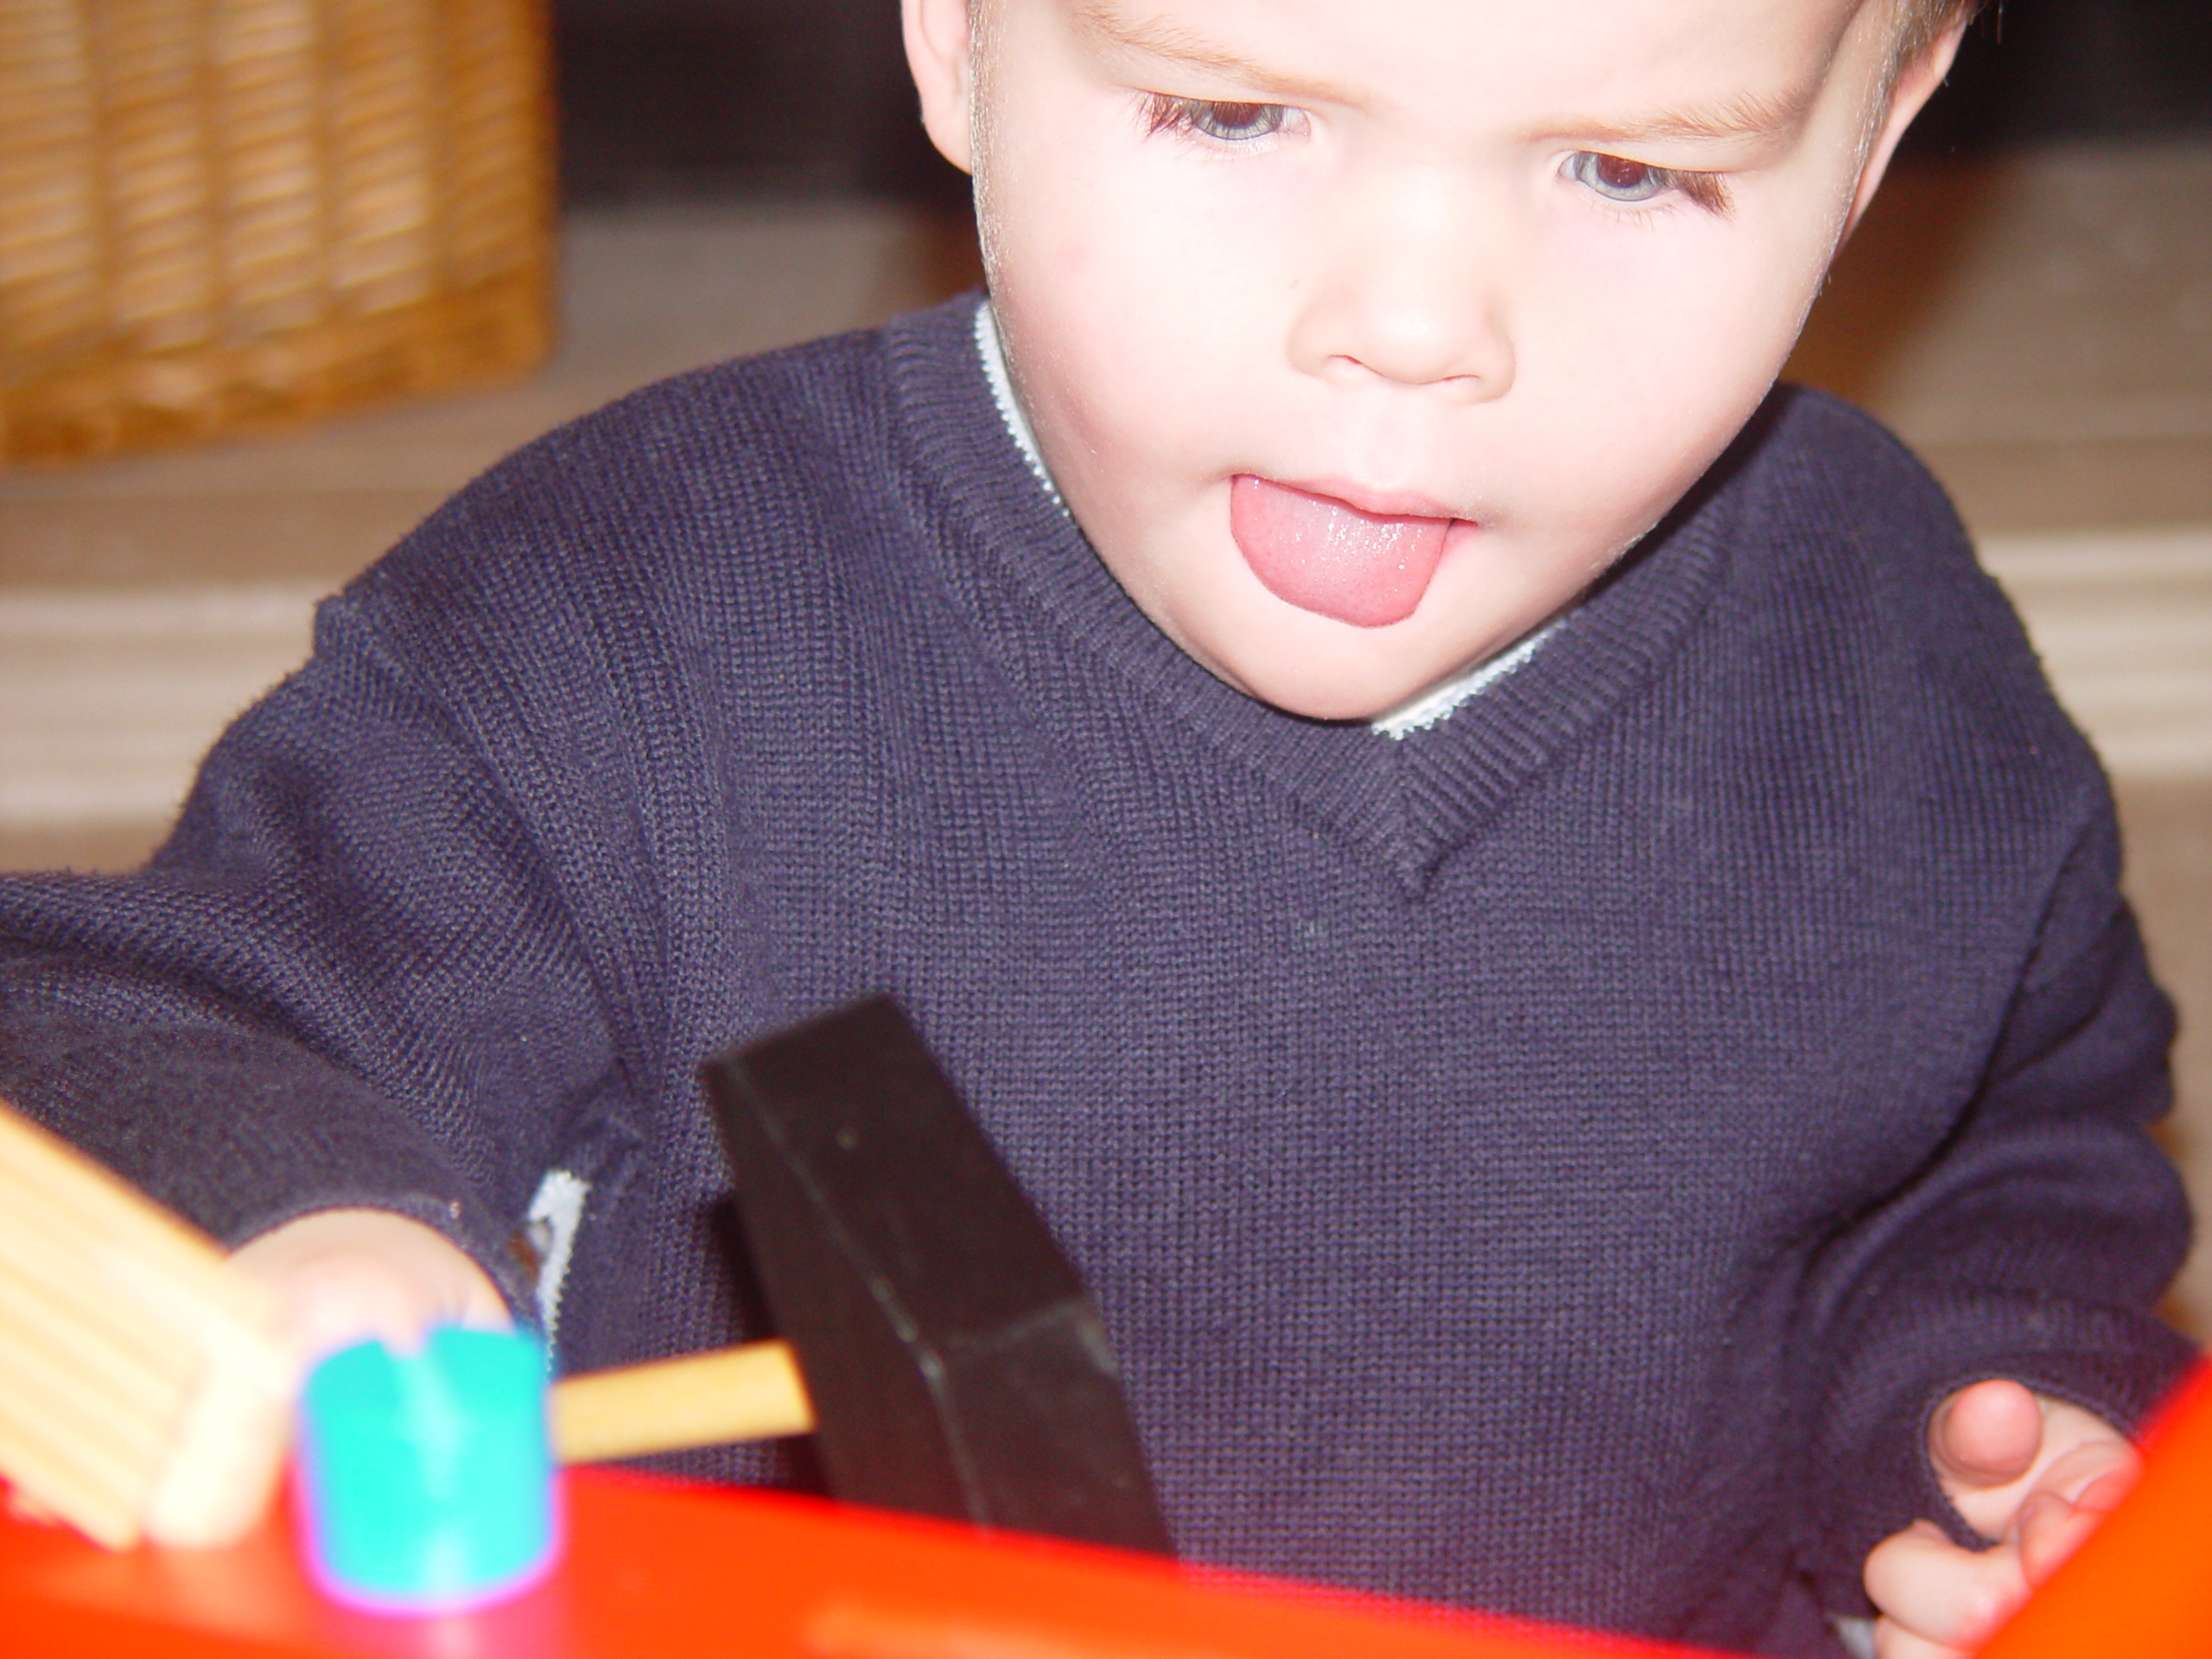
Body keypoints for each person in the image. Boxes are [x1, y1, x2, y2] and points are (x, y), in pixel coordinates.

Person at [0, 0, 2193, 1654]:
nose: (1411, 332)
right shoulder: (624, 628)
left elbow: (2020, 1145)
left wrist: (1977, 1404)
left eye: (1627, 172)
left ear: (1870, 131)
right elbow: (137, 1011)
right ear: (955, 35)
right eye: (1231, 115)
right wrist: (314, 1230)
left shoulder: (1880, 648)